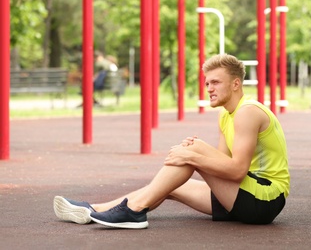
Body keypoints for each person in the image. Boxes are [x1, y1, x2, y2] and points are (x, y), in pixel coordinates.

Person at [54, 54, 290, 229]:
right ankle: (94, 210)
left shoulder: (248, 112)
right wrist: (194, 155)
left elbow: (237, 170)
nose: (209, 88)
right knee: (171, 182)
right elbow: (224, 164)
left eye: (215, 82)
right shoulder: (225, 115)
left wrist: (192, 157)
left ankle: (134, 212)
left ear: (236, 84)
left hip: (264, 200)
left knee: (192, 150)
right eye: (207, 83)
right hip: (245, 195)